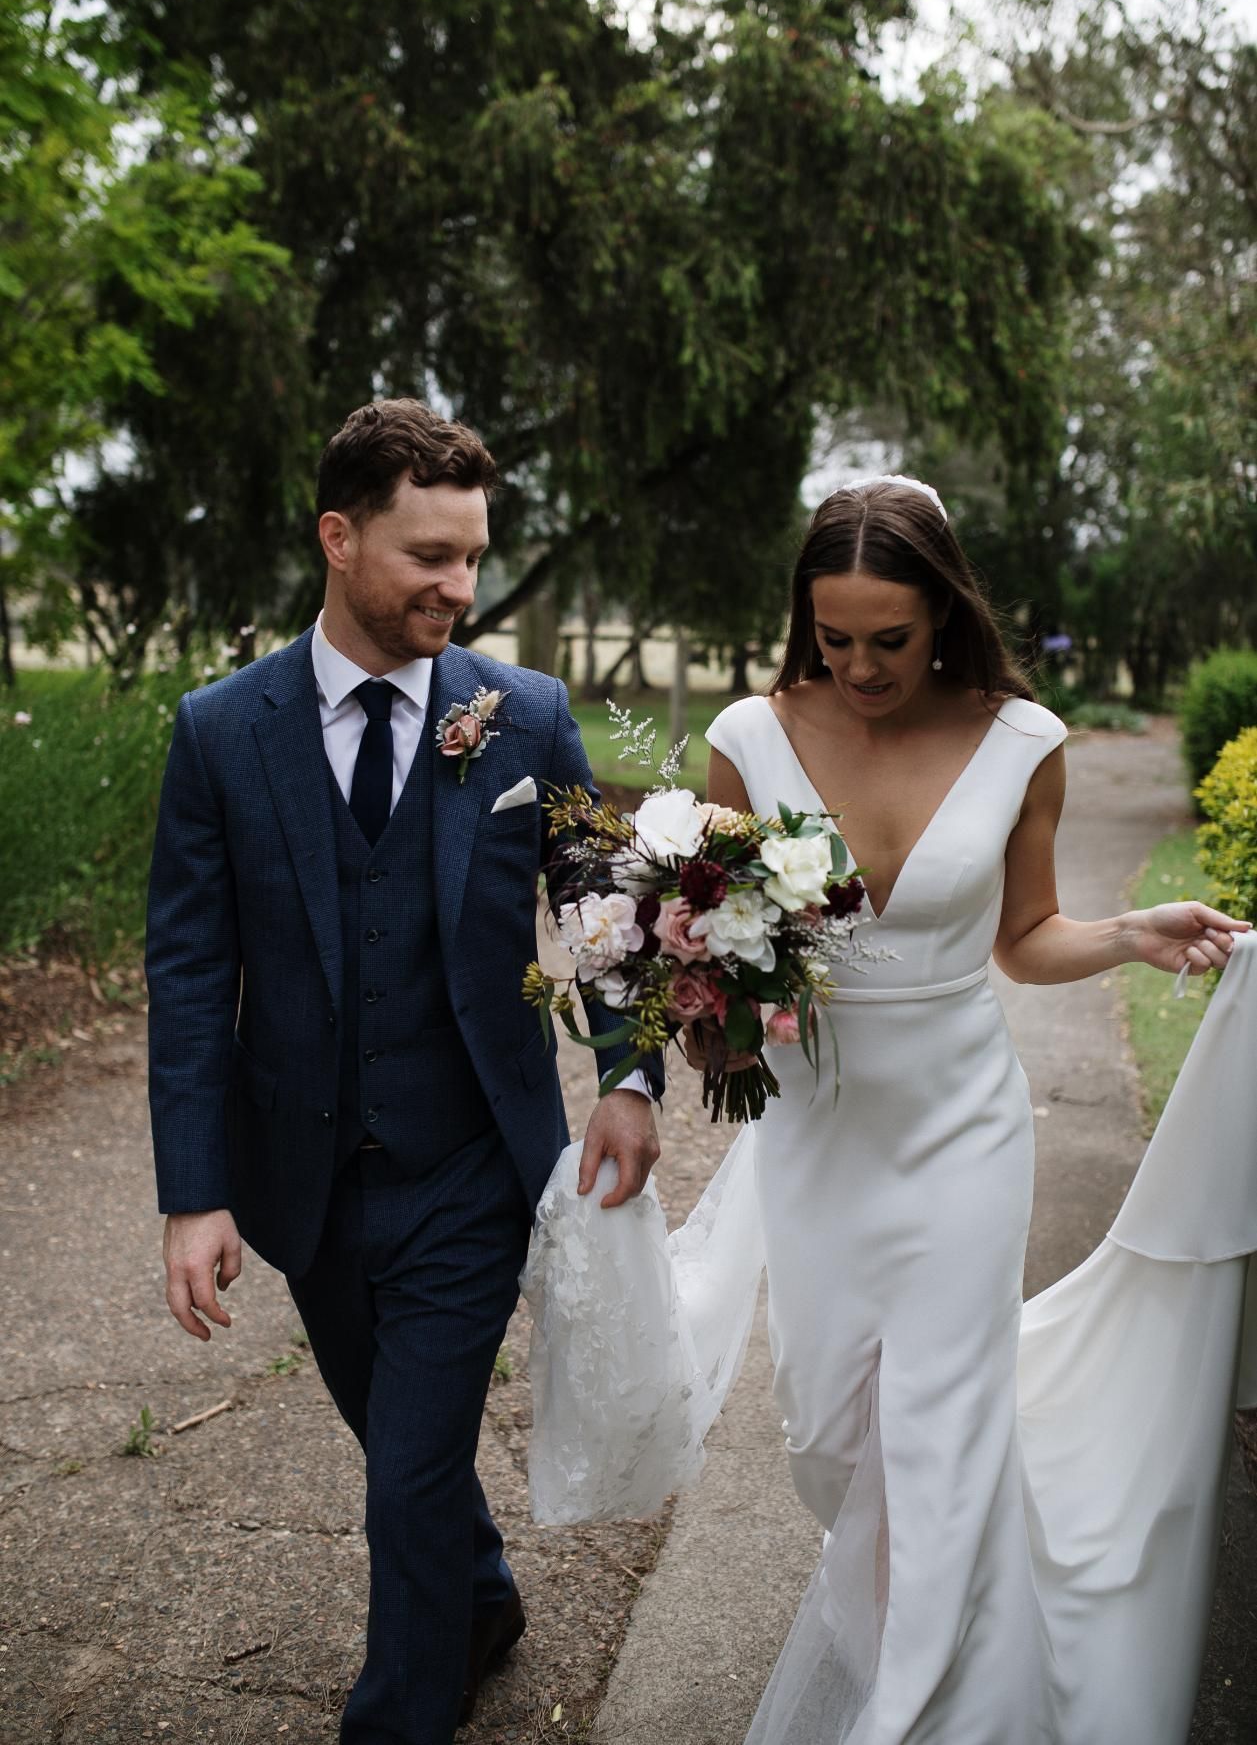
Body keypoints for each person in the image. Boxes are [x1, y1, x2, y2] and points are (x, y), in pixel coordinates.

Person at [521, 473, 1254, 1745]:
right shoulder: (749, 737)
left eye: (891, 640)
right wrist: (697, 999)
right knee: (833, 1434)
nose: (860, 666)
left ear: (945, 615)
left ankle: (927, 1709)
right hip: (814, 1137)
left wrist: (1134, 932)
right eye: (834, 638)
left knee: (943, 1430)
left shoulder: (1026, 740)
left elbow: (1022, 939)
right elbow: (703, 942)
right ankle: (917, 1619)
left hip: (964, 1131)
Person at [145, 398, 662, 1745]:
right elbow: (193, 972)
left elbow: (604, 907)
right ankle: (482, 1599)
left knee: (408, 1472)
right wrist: (193, 1192)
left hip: (471, 1168)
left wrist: (631, 1077)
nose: (460, 584)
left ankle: (401, 1714)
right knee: (407, 1457)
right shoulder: (219, 731)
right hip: (302, 1182)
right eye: (429, 553)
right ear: (337, 535)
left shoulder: (526, 716)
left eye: (472, 554)